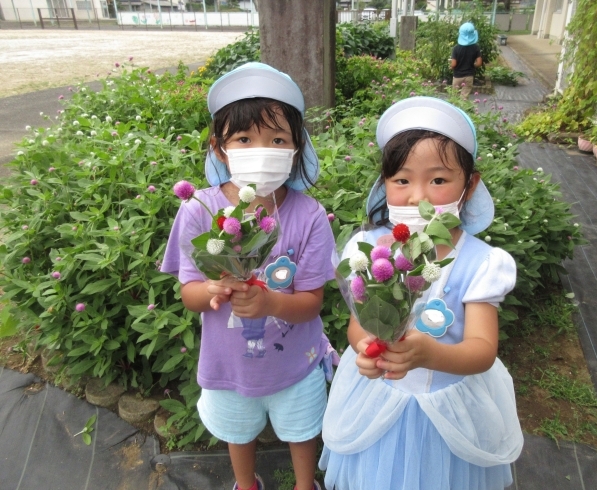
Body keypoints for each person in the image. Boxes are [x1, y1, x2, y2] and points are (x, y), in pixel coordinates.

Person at [318, 96, 523, 490]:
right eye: (402, 180)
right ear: (385, 184)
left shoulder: (479, 263)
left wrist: (431, 354)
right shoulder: (370, 251)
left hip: (447, 412)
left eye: (439, 180)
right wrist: (366, 349)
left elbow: (482, 348)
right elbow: (358, 327)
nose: (418, 197)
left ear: (470, 184)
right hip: (380, 402)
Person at [162, 62, 336, 490]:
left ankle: (303, 484)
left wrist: (271, 302)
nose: (263, 149)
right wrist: (213, 289)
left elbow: (312, 301)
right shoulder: (197, 211)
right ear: (220, 148)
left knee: (301, 430)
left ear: (296, 147)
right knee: (237, 432)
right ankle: (246, 483)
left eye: (278, 139)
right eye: (244, 138)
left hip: (296, 362)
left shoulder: (309, 215)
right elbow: (189, 293)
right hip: (228, 365)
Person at [451, 22, 482, 100]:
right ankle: (463, 111)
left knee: (455, 97)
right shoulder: (476, 48)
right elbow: (479, 63)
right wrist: (472, 65)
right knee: (464, 98)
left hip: (457, 76)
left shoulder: (456, 48)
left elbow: (454, 64)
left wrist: (451, 66)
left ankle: (455, 111)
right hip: (469, 76)